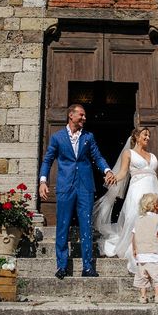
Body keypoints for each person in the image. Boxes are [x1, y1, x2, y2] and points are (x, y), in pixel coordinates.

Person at [39, 103, 115, 279]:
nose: (84, 118)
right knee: (63, 226)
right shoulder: (57, 137)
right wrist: (43, 181)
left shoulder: (89, 137)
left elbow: (97, 156)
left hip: (85, 187)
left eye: (85, 115)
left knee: (86, 226)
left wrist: (107, 170)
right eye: (81, 115)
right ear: (71, 116)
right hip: (65, 187)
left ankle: (88, 267)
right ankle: (62, 266)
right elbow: (48, 160)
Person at [94, 126, 158, 273]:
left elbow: (153, 175)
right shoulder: (128, 153)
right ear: (136, 136)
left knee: (154, 218)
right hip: (137, 190)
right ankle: (135, 249)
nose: (148, 138)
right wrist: (114, 177)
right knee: (134, 217)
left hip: (153, 191)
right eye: (145, 135)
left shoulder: (152, 156)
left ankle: (153, 248)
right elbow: (123, 173)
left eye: (149, 135)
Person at [132, 193, 158, 304]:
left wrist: (134, 249)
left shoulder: (138, 220)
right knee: (157, 276)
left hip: (141, 255)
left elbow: (134, 236)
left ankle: (143, 297)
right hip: (154, 254)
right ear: (155, 205)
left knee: (142, 277)